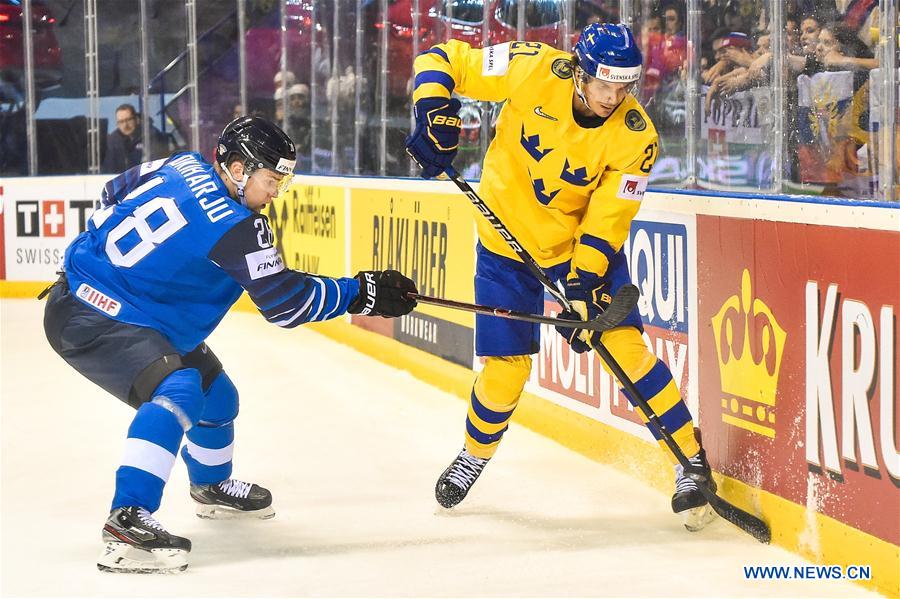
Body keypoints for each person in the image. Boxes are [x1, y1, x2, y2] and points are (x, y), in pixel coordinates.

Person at [42, 116, 418, 573]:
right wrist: (362, 293)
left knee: (218, 396)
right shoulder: (239, 227)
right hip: (93, 316)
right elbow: (287, 305)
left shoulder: (182, 164)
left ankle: (210, 488)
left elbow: (113, 192)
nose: (277, 192)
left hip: (115, 304)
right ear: (238, 171)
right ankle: (126, 519)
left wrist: (97, 257)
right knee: (178, 390)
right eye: (272, 180)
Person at [405, 23, 717, 531]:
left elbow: (610, 218)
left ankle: (691, 463)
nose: (614, 98)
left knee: (624, 348)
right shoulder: (532, 66)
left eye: (624, 88)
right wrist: (431, 108)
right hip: (504, 245)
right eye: (604, 86)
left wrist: (582, 281)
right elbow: (443, 57)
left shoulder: (637, 138)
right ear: (579, 74)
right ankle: (473, 455)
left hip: (579, 251)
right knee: (506, 367)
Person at [101, 104, 168, 174]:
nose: (125, 125)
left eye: (128, 120)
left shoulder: (150, 135)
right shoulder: (113, 140)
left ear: (136, 119)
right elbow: (108, 169)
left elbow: (159, 163)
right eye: (121, 122)